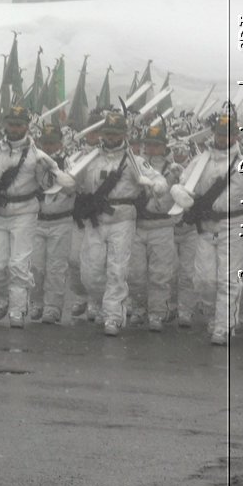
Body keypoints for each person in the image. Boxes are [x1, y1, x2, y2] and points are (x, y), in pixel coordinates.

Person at [0, 105, 73, 328]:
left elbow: (51, 184)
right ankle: (3, 296)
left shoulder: (39, 157)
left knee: (18, 264)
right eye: (11, 123)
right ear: (5, 125)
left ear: (27, 127)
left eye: (19, 124)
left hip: (24, 214)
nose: (15, 128)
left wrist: (60, 178)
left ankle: (18, 309)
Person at [70, 111, 167, 336]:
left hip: (123, 219)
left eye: (116, 133)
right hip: (97, 218)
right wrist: (67, 179)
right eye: (108, 133)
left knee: (117, 269)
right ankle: (104, 303)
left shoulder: (134, 160)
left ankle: (113, 315)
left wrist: (156, 186)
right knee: (90, 273)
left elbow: (158, 179)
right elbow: (73, 180)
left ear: (124, 133)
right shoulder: (90, 158)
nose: (111, 138)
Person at [170, 112, 243, 344]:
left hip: (233, 224)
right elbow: (182, 185)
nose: (223, 138)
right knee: (203, 280)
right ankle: (212, 315)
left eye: (228, 134)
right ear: (214, 135)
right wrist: (181, 195)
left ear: (235, 135)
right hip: (206, 225)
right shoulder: (200, 161)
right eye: (220, 134)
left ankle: (224, 326)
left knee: (228, 280)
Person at [129, 122, 181, 331]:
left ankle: (158, 313)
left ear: (164, 146)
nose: (151, 148)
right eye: (148, 144)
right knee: (135, 273)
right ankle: (139, 308)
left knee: (160, 274)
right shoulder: (135, 165)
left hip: (162, 226)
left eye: (156, 145)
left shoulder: (174, 169)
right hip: (138, 224)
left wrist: (178, 179)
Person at [29, 123, 79, 324]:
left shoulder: (71, 162)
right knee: (35, 266)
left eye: (53, 143)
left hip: (61, 219)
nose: (49, 148)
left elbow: (72, 188)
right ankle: (36, 303)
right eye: (45, 143)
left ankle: (53, 306)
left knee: (56, 267)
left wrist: (56, 169)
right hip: (38, 219)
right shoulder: (33, 163)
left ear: (60, 143)